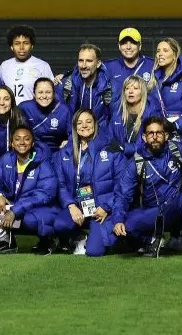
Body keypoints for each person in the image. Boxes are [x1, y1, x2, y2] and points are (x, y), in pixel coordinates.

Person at [112, 116, 182, 259]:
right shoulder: (137, 161)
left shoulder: (177, 150)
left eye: (159, 133)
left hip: (176, 208)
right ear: (144, 137)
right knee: (126, 226)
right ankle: (152, 241)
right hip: (153, 212)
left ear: (166, 135)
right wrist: (118, 219)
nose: (155, 137)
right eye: (151, 133)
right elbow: (122, 194)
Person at [51, 109, 127, 256]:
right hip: (79, 205)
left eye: (88, 122)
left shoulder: (111, 149)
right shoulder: (66, 151)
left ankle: (123, 240)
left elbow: (122, 184)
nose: (84, 126)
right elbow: (60, 184)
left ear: (95, 124)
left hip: (102, 208)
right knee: (60, 224)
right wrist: (71, 206)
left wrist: (106, 207)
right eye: (79, 123)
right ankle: (79, 238)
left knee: (94, 251)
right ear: (74, 127)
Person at [0, 124, 62, 255]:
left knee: (30, 220)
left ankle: (49, 239)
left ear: (32, 143)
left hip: (37, 208)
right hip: (14, 205)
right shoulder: (7, 159)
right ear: (12, 143)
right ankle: (5, 238)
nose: (22, 142)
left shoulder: (43, 161)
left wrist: (15, 210)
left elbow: (46, 193)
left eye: (26, 139)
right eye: (17, 139)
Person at [58, 44, 113, 130]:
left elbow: (115, 121)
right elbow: (58, 117)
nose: (83, 66)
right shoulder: (65, 85)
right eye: (80, 60)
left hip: (100, 138)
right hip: (72, 136)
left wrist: (95, 143)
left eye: (89, 61)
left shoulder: (109, 87)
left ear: (98, 63)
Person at [0, 25, 54, 106]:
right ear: (11, 46)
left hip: (33, 115)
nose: (21, 47)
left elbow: (51, 93)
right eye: (17, 43)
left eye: (26, 43)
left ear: (32, 46)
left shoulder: (42, 66)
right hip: (10, 115)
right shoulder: (4, 66)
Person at [108, 75, 160, 154]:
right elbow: (110, 140)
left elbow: (154, 143)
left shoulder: (152, 115)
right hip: (120, 160)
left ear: (142, 92)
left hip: (145, 159)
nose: (130, 91)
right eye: (127, 88)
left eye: (135, 88)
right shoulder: (117, 115)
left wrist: (125, 148)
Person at [102, 28, 155, 103]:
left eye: (133, 42)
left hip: (146, 114)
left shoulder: (152, 65)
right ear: (119, 46)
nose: (128, 47)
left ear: (139, 46)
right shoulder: (108, 67)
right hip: (117, 114)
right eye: (124, 43)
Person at [19, 77, 72, 152]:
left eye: (48, 92)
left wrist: (69, 142)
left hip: (57, 152)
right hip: (31, 152)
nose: (44, 96)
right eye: (40, 92)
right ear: (34, 94)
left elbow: (72, 134)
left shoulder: (64, 110)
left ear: (54, 94)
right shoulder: (24, 108)